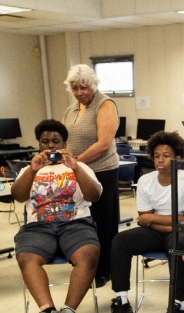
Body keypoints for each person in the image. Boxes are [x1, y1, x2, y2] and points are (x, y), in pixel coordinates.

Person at [11, 119, 103, 313]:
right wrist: (32, 171)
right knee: (27, 257)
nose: (50, 147)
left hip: (76, 223)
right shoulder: (29, 169)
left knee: (89, 254)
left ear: (64, 143)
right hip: (39, 226)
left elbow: (94, 196)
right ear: (39, 144)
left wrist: (76, 167)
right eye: (45, 142)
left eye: (56, 141)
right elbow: (18, 195)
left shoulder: (79, 166)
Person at [106, 131, 184, 313]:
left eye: (166, 156)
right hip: (164, 230)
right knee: (120, 241)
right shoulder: (145, 181)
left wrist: (152, 220)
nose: (160, 160)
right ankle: (122, 302)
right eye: (157, 155)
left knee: (177, 244)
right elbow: (143, 217)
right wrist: (158, 222)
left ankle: (181, 308)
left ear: (177, 157)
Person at [61, 64, 120, 287]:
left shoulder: (105, 104)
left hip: (102, 171)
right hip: (77, 172)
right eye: (75, 88)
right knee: (80, 220)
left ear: (93, 85)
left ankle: (104, 269)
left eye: (83, 87)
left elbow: (104, 143)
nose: (79, 93)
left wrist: (76, 163)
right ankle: (84, 264)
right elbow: (63, 137)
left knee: (102, 223)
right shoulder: (71, 109)